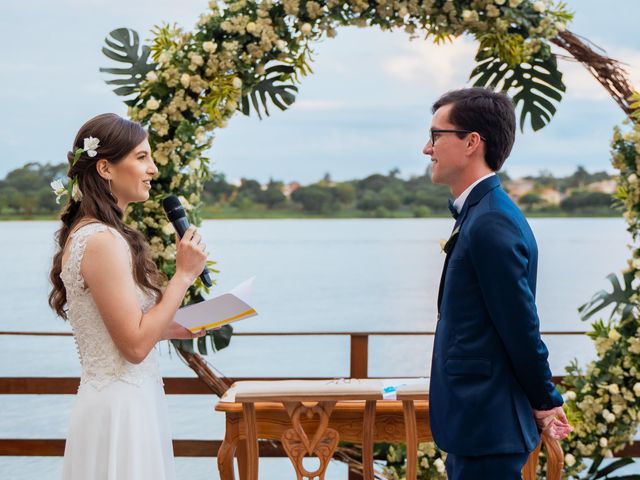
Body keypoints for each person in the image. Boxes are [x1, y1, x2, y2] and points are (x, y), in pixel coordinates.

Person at [48, 113, 208, 479]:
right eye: (141, 157)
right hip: (119, 410)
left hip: (133, 400)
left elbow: (125, 327)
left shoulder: (101, 234)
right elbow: (133, 347)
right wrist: (183, 275)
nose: (152, 168)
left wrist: (178, 326)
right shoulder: (102, 241)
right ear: (105, 168)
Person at [424, 88, 572, 479]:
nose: (427, 148)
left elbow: (519, 322)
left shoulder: (491, 221)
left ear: (472, 142)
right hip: (476, 423)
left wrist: (545, 398)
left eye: (436, 135)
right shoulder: (479, 213)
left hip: (487, 421)